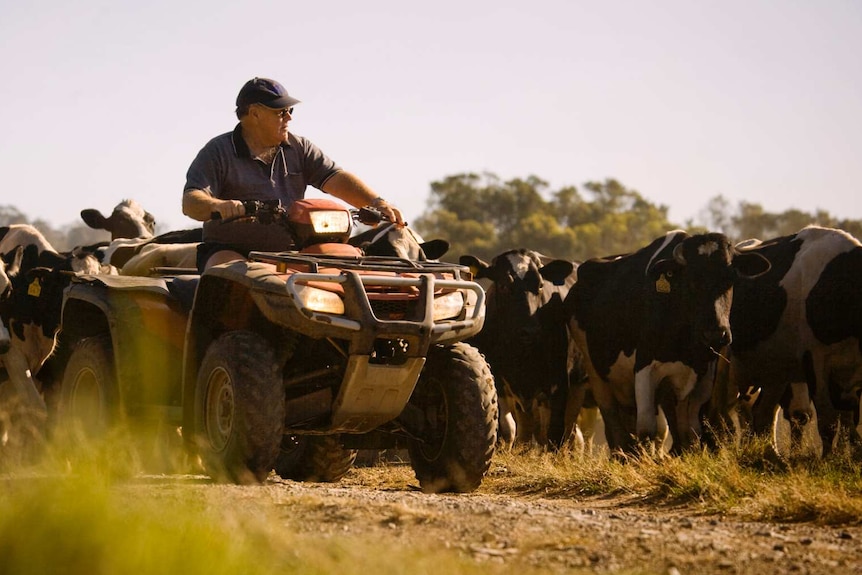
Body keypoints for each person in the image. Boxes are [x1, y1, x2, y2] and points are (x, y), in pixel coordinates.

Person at [182, 77, 404, 269]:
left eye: (290, 111)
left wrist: (376, 202)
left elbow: (336, 178)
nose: (289, 118)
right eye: (281, 112)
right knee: (231, 273)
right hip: (231, 249)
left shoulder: (300, 148)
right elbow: (191, 201)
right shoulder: (218, 151)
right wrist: (219, 206)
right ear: (255, 113)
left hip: (295, 250)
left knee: (347, 267)